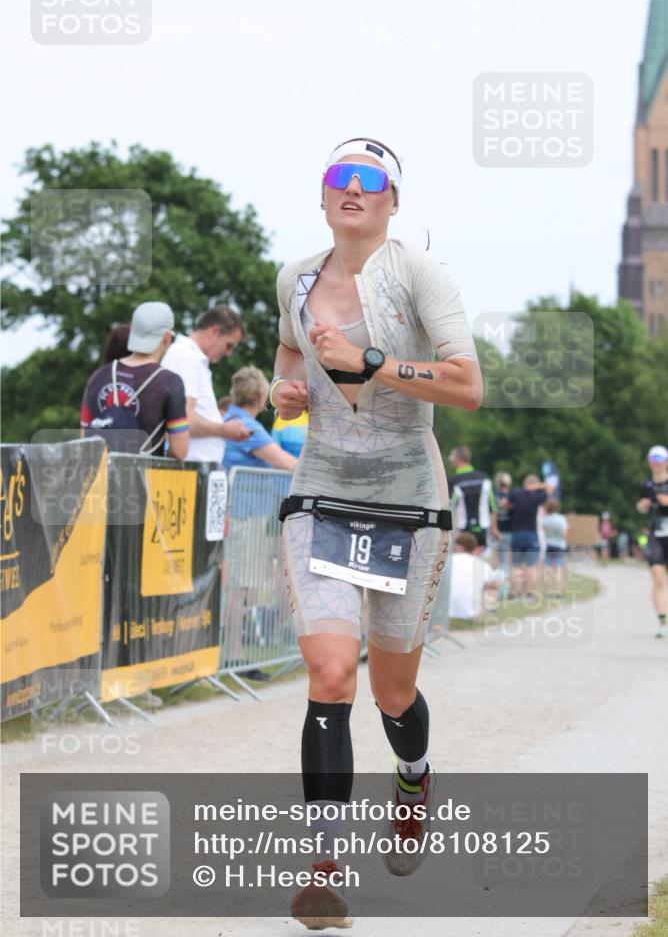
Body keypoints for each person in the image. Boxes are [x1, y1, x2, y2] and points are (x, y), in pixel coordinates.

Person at [272, 136, 481, 928]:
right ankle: (323, 867)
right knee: (331, 674)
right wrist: (291, 394)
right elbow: (290, 358)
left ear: (393, 201)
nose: (353, 189)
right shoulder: (294, 277)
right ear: (323, 196)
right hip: (321, 485)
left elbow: (467, 385)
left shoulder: (419, 275)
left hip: (407, 492)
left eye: (372, 180)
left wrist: (371, 360)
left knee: (393, 695)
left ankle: (415, 774)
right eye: (339, 177)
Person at [221, 368, 298, 682]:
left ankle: (232, 653)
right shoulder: (247, 426)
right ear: (260, 397)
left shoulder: (230, 421)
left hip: (237, 514)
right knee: (238, 587)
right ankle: (233, 655)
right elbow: (285, 462)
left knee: (239, 586)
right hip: (242, 515)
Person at [80, 301, 189, 459]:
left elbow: (84, 437)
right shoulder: (170, 382)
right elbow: (179, 450)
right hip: (145, 479)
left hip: (99, 477)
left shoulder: (98, 376)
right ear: (166, 337)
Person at [161, 305, 250, 462]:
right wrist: (224, 430)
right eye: (229, 345)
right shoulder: (185, 355)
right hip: (189, 470)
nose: (229, 353)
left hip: (195, 470)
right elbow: (182, 418)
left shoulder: (191, 357)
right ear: (214, 332)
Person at [636, 444, 668, 639]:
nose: (656, 464)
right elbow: (641, 508)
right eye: (653, 460)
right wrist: (641, 506)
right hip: (656, 534)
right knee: (658, 577)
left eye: (660, 460)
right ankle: (663, 621)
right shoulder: (646, 485)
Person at [503, 474, 548, 601]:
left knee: (516, 566)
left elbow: (504, 504)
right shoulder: (538, 496)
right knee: (531, 566)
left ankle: (516, 593)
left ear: (524, 483)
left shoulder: (516, 493)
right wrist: (540, 486)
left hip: (516, 533)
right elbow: (549, 489)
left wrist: (512, 507)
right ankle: (528, 594)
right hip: (531, 534)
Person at [448, 446, 499, 548]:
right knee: (479, 561)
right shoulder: (484, 478)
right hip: (483, 529)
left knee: (462, 561)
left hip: (461, 530)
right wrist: (494, 528)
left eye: (451, 457)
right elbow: (492, 506)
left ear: (457, 459)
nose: (450, 460)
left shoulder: (453, 482)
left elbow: (449, 507)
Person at [449, 532, 499, 619]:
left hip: (445, 614)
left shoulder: (447, 561)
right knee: (492, 586)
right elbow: (494, 586)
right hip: (472, 614)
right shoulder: (482, 565)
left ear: (459, 546)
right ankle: (490, 612)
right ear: (473, 548)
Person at [541, 499, 569, 597]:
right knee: (558, 569)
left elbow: (544, 532)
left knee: (547, 569)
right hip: (559, 546)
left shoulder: (545, 519)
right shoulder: (561, 518)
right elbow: (564, 533)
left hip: (549, 545)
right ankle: (558, 591)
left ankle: (546, 591)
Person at [492, 470, 513, 578]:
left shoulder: (494, 496)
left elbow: (492, 513)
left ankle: (499, 579)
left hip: (497, 530)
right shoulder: (512, 496)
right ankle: (506, 580)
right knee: (509, 560)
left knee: (498, 559)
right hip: (510, 530)